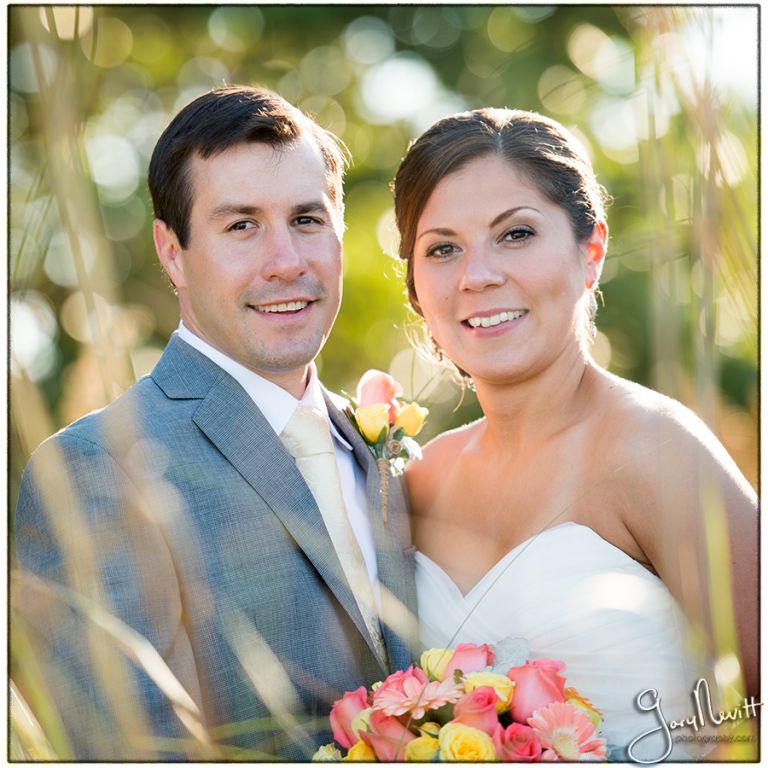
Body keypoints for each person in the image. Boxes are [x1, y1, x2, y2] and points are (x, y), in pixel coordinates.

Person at [13, 85, 418, 761]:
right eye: (241, 226)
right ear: (172, 254)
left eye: (308, 220)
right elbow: (124, 749)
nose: (286, 261)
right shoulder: (96, 467)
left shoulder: (386, 447)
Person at [393, 108, 758, 761]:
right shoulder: (417, 480)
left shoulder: (656, 449)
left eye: (516, 234)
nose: (477, 275)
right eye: (443, 247)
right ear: (416, 288)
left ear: (590, 252)